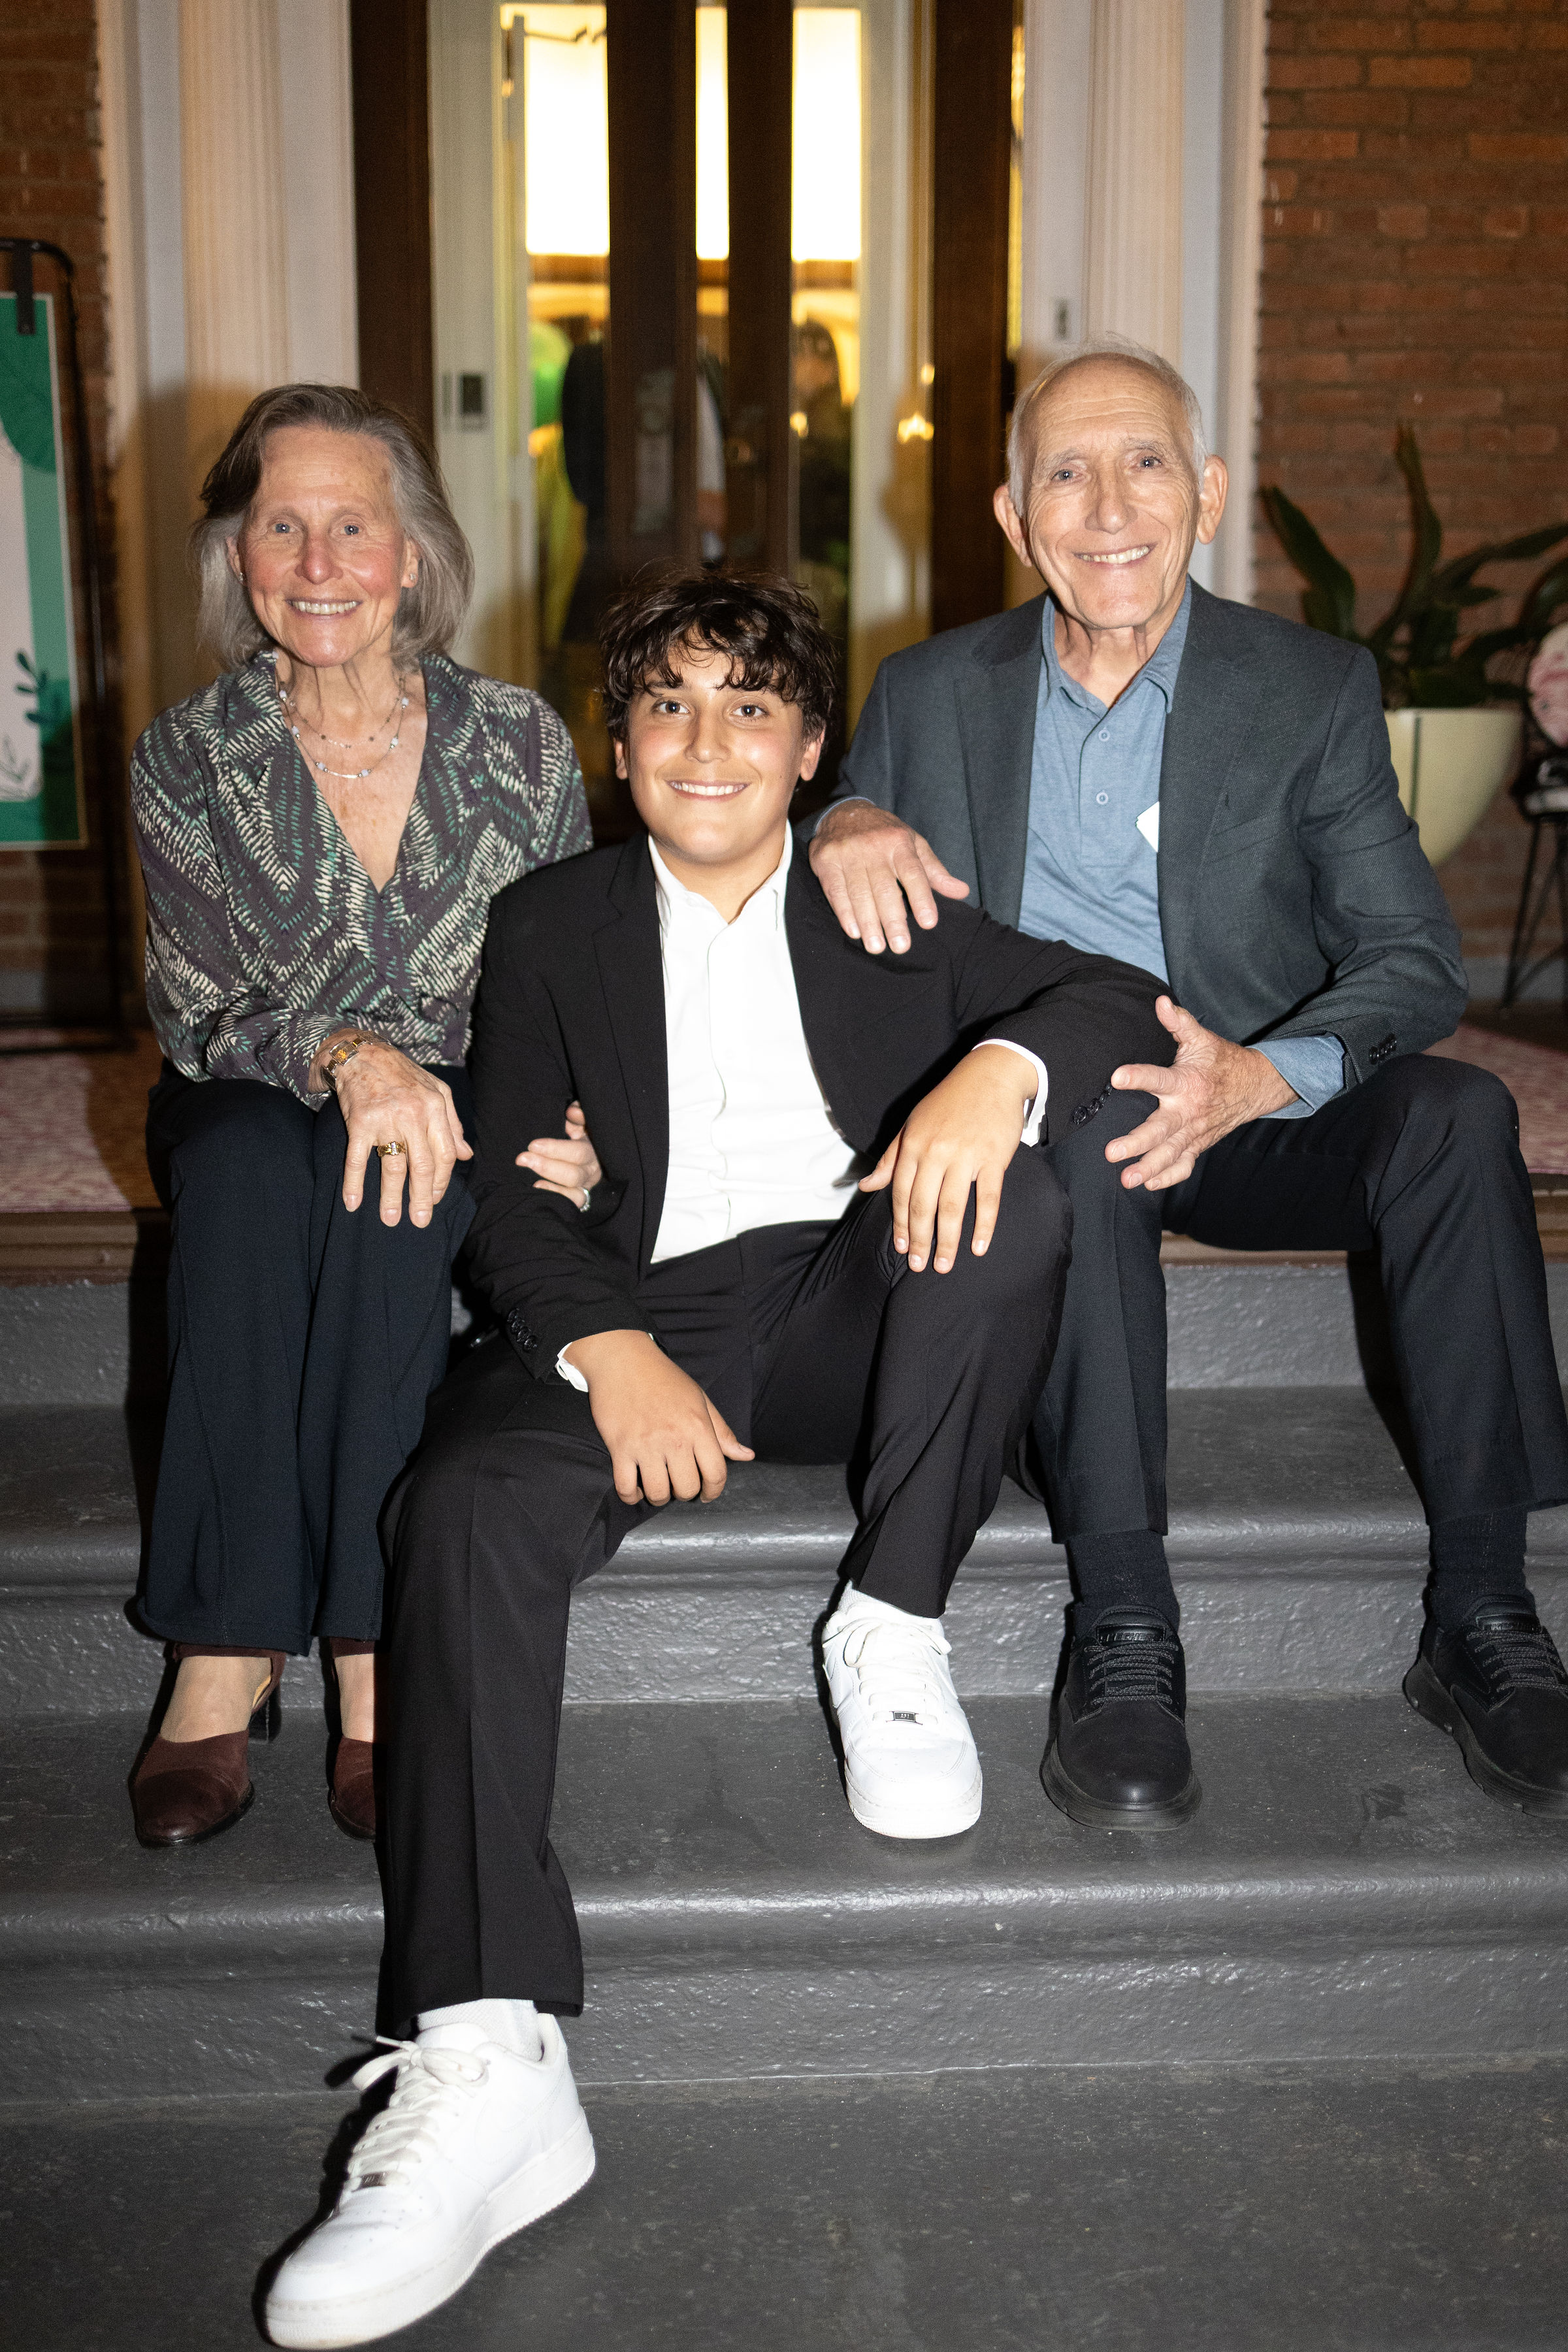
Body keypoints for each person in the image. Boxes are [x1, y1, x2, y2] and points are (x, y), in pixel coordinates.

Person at [263, 571, 1169, 2349]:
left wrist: (994, 1071)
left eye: (752, 708)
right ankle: (488, 2053)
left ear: (812, 749)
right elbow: (509, 1192)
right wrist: (610, 1354)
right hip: (643, 1301)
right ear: (618, 745)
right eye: (667, 704)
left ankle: (890, 1618)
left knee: (1019, 1196)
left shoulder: (877, 898)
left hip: (851, 1297)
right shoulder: (550, 924)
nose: (706, 741)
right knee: (462, 1504)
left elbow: (1118, 1001)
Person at [807, 336, 1568, 1831]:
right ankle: (1124, 1631)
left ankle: (1484, 1612)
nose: (1109, 509)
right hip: (1057, 1116)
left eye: (1145, 463)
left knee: (1460, 1115)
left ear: (1207, 494)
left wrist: (1263, 1076)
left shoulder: (1308, 689)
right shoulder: (930, 691)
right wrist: (841, 817)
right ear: (1014, 516)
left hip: (1251, 1098)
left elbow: (1414, 957)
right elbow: (834, 825)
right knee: (1091, 1137)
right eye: (1066, 475)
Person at [127, 384, 598, 1850]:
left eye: (353, 527)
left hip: (456, 1110)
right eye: (283, 527)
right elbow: (198, 1003)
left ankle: (370, 1647)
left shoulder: (520, 744)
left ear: (413, 553)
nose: (319, 564)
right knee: (249, 1165)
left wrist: (578, 1114)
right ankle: (224, 1643)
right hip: (252, 1085)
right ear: (239, 553)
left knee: (400, 1174)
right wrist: (348, 1053)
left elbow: (570, 977)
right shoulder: (187, 755)